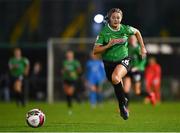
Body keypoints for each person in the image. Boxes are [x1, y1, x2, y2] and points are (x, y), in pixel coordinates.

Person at [93, 8, 147, 120]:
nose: (116, 19)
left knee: (116, 77)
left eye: (118, 17)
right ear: (109, 19)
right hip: (108, 63)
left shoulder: (125, 29)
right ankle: (123, 101)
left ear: (121, 18)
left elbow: (137, 32)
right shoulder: (104, 32)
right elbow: (95, 51)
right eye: (113, 17)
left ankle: (122, 106)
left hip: (124, 59)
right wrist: (109, 45)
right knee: (115, 81)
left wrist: (142, 47)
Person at [123, 35, 149, 107]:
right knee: (126, 89)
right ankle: (126, 108)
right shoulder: (126, 47)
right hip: (128, 70)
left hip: (136, 71)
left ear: (136, 40)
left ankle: (150, 95)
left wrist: (137, 67)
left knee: (137, 92)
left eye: (133, 38)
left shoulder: (139, 48)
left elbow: (143, 61)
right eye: (130, 38)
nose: (132, 40)